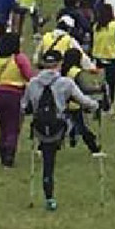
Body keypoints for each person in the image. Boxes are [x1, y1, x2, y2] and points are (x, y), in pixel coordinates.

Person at [22, 49, 102, 211]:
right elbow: (84, 101)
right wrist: (97, 105)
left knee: (47, 161)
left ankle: (48, 194)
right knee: (72, 124)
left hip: (39, 128)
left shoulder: (32, 83)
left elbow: (24, 107)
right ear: (59, 64)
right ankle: (49, 196)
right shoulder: (66, 83)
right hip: (59, 126)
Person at [0, 32, 33, 167]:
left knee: (2, 125)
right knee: (13, 126)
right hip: (14, 95)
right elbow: (29, 76)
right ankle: (9, 154)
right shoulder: (19, 58)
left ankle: (1, 147)